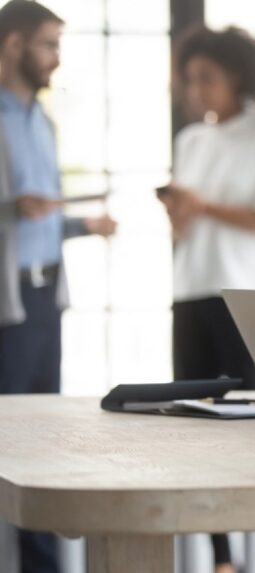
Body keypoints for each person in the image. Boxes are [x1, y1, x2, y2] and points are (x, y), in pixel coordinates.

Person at [160, 25, 255, 573]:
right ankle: (221, 557)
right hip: (190, 292)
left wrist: (202, 205)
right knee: (193, 424)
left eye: (206, 78)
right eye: (189, 80)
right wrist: (180, 210)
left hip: (247, 298)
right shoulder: (190, 141)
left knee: (252, 424)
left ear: (238, 76)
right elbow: (186, 230)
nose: (195, 90)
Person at [0, 2, 117, 571]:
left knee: (40, 438)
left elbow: (39, 215)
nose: (57, 58)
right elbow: (14, 213)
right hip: (7, 300)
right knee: (7, 438)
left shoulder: (41, 121)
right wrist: (10, 207)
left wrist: (81, 225)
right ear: (15, 43)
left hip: (46, 295)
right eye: (48, 44)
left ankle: (41, 566)